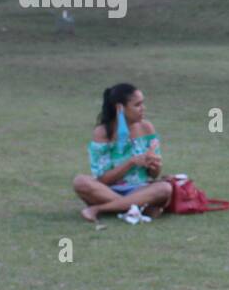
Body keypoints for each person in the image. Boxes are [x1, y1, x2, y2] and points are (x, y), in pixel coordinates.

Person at [72, 83, 172, 223]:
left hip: (140, 190)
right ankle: (135, 208)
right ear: (120, 108)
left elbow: (154, 175)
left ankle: (99, 209)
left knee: (165, 188)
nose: (143, 109)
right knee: (80, 181)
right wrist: (131, 162)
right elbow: (102, 180)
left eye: (143, 104)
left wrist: (154, 165)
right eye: (137, 105)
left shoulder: (146, 127)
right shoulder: (102, 133)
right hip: (109, 191)